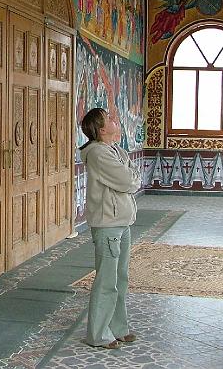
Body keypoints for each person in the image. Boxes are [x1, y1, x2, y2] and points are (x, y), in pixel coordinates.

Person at [79, 107, 140, 349]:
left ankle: (118, 327)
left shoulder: (115, 150)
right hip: (108, 223)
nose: (115, 120)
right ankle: (98, 334)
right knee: (106, 280)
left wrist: (130, 178)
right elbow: (128, 180)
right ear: (102, 129)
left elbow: (133, 175)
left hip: (122, 221)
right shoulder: (97, 153)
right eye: (109, 118)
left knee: (120, 278)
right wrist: (130, 179)